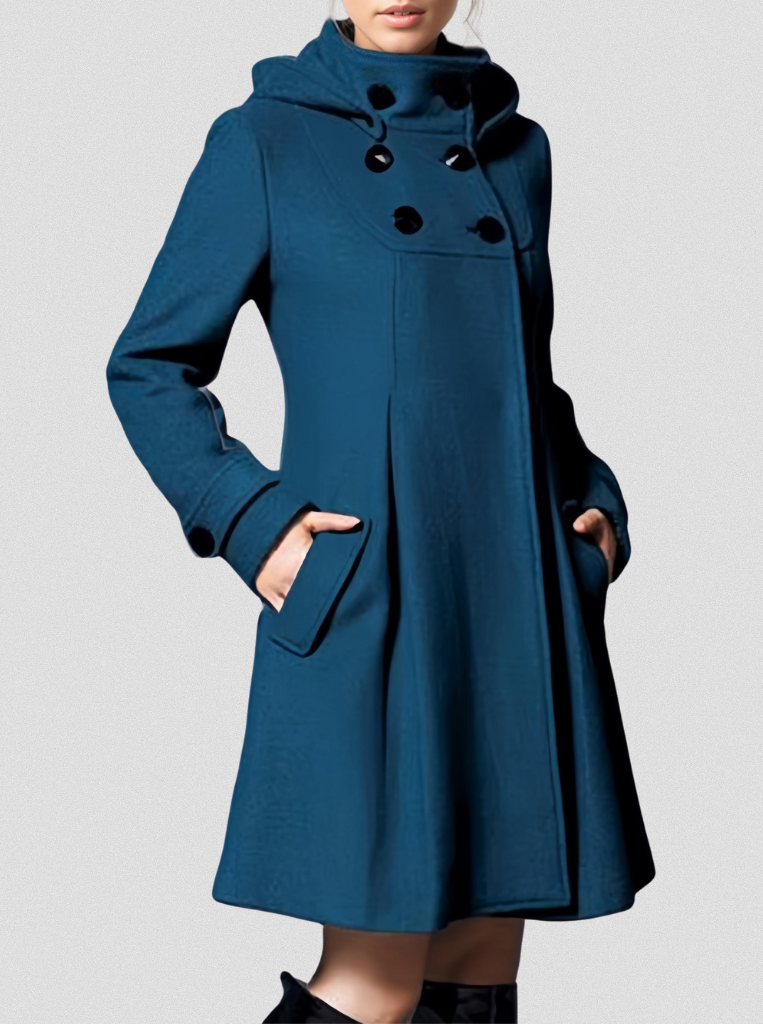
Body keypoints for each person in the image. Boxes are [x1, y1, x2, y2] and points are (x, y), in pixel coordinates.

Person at [106, 2, 656, 1021]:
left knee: (481, 965)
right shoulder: (264, 139)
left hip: (519, 604)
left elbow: (520, 374)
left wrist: (594, 503)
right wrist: (253, 522)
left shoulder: (518, 150)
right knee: (374, 982)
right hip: (381, 598)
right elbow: (148, 365)